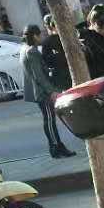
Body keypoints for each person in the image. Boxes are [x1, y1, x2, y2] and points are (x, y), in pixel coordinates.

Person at [22, 24, 73, 158]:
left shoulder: (25, 49)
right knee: (49, 121)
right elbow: (39, 76)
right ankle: (55, 147)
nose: (42, 37)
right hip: (42, 93)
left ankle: (57, 145)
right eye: (40, 34)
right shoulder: (31, 52)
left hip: (40, 91)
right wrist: (51, 91)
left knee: (49, 120)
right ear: (35, 36)